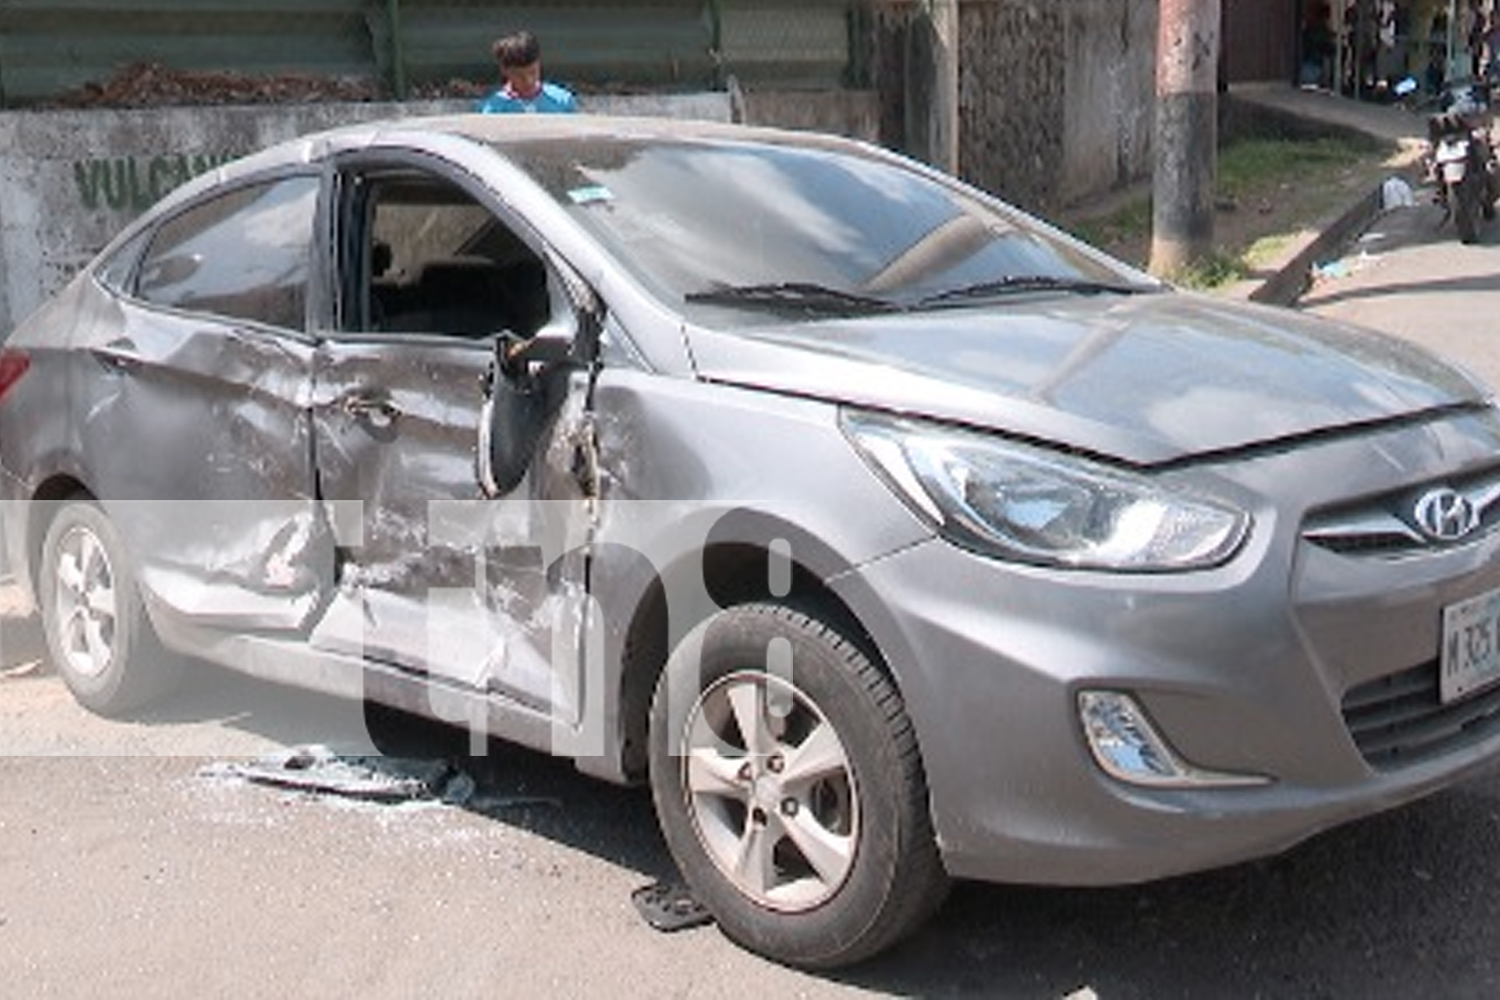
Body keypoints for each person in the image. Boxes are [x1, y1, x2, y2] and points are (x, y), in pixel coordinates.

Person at [477, 30, 577, 114]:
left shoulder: (563, 101)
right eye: (518, 75)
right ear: (504, 70)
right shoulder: (493, 109)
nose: (528, 81)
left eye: (533, 72)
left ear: (539, 63)